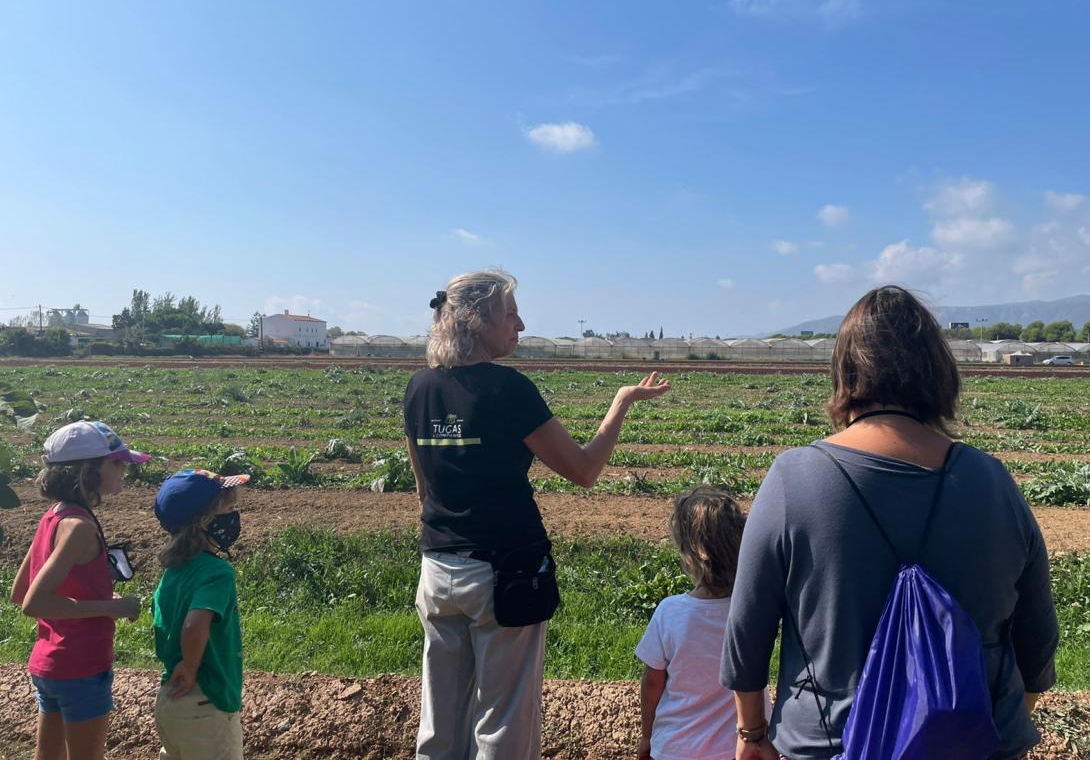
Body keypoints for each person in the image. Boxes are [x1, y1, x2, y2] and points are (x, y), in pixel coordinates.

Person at [720, 285, 1060, 760]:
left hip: (829, 743)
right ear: (937, 373)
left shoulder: (794, 479)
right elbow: (1039, 640)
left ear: (845, 371)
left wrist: (752, 735)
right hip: (979, 742)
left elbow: (746, 639)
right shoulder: (993, 481)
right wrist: (991, 722)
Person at [405, 269, 671, 760]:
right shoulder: (508, 390)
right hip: (504, 574)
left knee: (440, 718)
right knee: (503, 723)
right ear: (475, 321)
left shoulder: (419, 388)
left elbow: (424, 487)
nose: (520, 324)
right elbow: (584, 470)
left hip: (437, 570)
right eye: (510, 314)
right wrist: (621, 402)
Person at [8, 421, 149, 760]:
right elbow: (33, 602)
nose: (124, 469)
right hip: (81, 665)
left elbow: (19, 591)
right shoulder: (80, 527)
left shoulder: (53, 517)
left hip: (48, 664)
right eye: (116, 462)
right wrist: (110, 608)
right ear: (89, 471)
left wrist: (99, 602)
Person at [636, 486, 763, 760]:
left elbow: (652, 685)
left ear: (689, 553)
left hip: (675, 748)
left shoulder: (669, 613)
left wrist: (647, 736)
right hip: (735, 749)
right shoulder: (753, 610)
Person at [151, 468, 250, 760]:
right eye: (228, 509)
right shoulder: (217, 572)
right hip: (206, 701)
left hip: (171, 701)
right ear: (203, 521)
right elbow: (194, 624)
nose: (233, 517)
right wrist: (191, 665)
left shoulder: (172, 572)